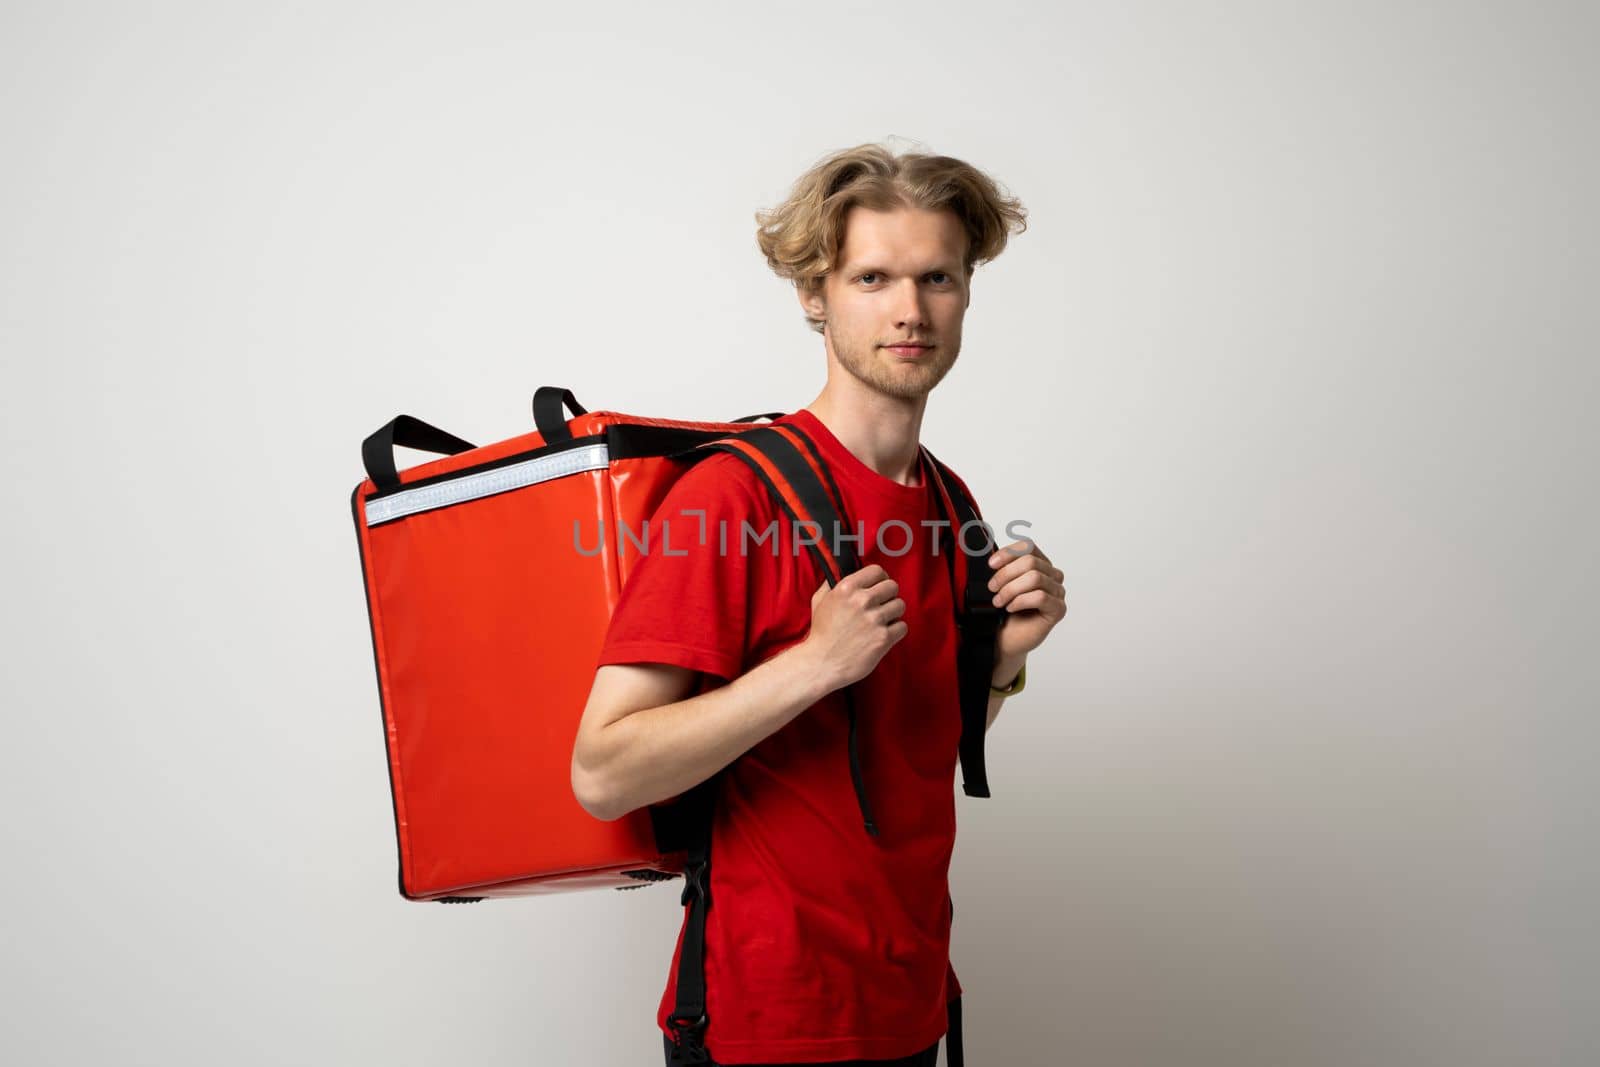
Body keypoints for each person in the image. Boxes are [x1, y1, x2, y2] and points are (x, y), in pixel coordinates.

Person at [570, 142, 1067, 1066]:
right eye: (873, 277)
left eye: (938, 277)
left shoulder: (952, 505)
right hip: (774, 1020)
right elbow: (602, 770)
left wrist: (1003, 659)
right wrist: (813, 662)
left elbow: (905, 743)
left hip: (912, 1003)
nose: (910, 310)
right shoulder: (733, 497)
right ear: (814, 295)